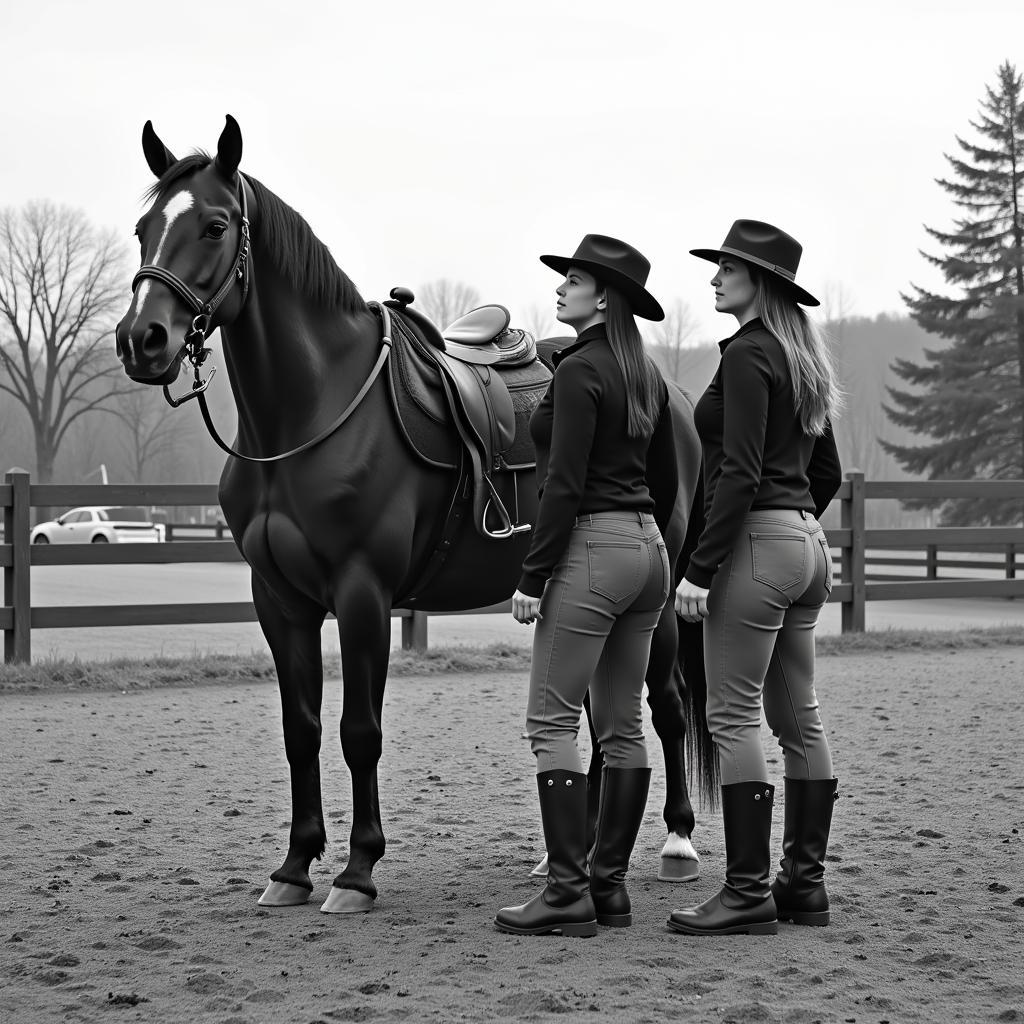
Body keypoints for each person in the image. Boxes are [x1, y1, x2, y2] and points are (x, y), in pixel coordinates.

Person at [494, 234, 678, 937]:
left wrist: (533, 577)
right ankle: (609, 890)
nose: (560, 290)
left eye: (572, 281)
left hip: (593, 551)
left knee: (550, 723)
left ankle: (568, 891)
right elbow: (666, 480)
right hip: (647, 550)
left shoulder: (576, 372)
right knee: (624, 724)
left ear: (604, 297)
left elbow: (564, 484)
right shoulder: (646, 373)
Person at [667, 220, 843, 937]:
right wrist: (793, 519)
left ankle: (744, 894)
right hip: (807, 547)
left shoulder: (747, 356)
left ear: (759, 282)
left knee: (732, 716)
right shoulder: (800, 358)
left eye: (728, 269)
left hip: (758, 548)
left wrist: (702, 570)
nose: (714, 278)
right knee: (799, 717)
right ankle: (803, 886)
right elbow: (824, 472)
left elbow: (737, 471)